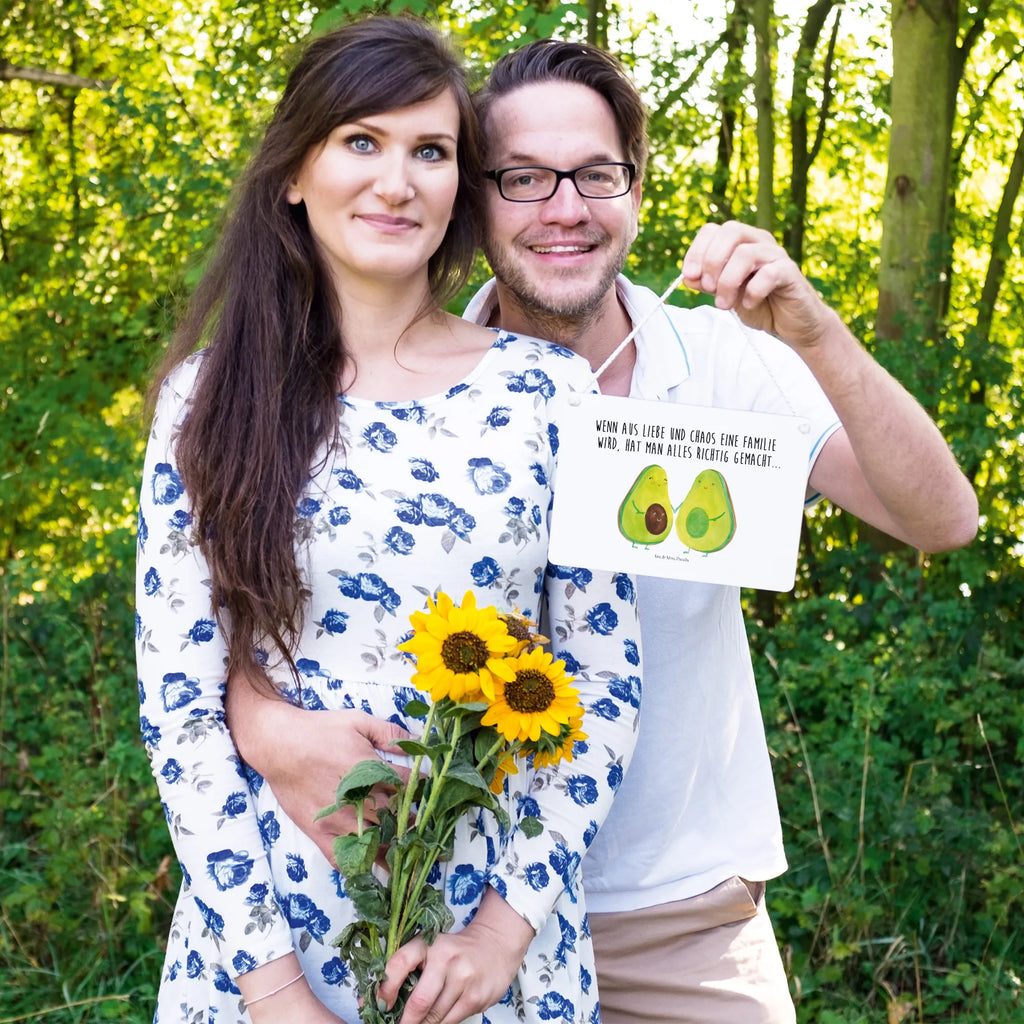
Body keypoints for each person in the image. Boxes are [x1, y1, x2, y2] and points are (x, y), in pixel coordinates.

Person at [225, 35, 979, 1024]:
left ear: (636, 185)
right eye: (525, 178)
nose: (565, 208)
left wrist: (809, 326)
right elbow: (264, 618)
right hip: (452, 911)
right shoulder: (402, 380)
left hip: (681, 923)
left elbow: (942, 519)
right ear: (473, 197)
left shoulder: (722, 358)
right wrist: (262, 719)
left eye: (594, 173)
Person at [136, 19, 641, 1024]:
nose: (397, 181)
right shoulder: (209, 399)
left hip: (487, 946)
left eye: (432, 152)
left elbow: (605, 680)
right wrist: (276, 994)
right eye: (361, 142)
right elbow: (180, 709)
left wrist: (498, 935)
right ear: (293, 171)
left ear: (460, 186)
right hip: (266, 935)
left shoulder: (551, 394)